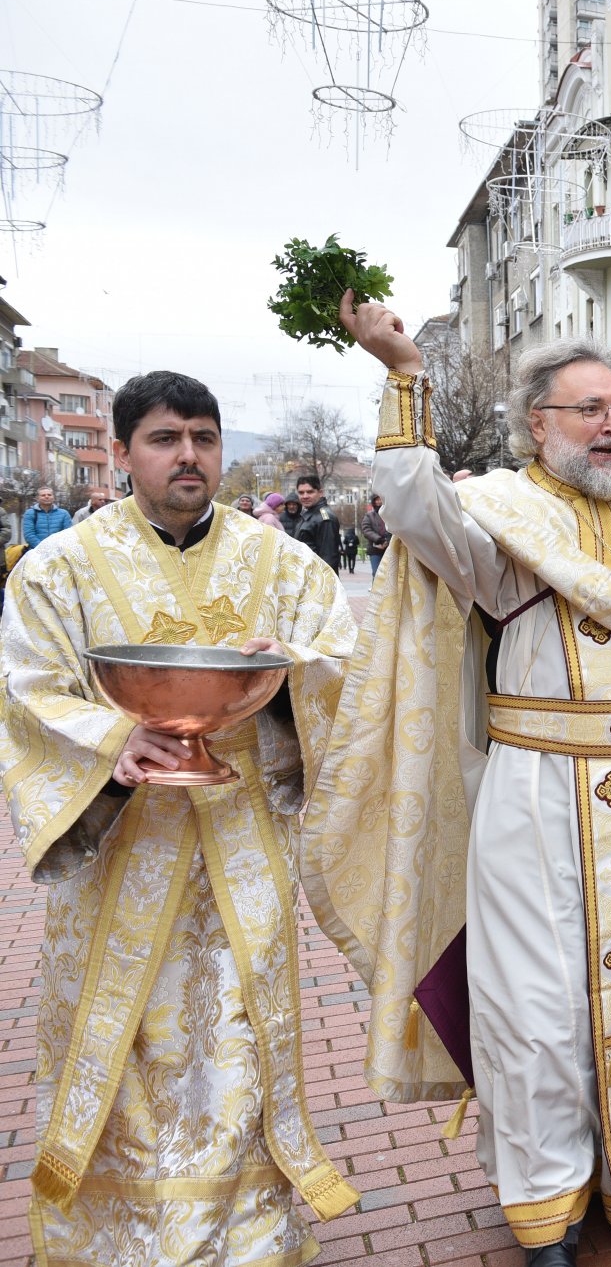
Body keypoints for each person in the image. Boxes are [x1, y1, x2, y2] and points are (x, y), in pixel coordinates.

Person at [307, 300, 611, 1266]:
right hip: (543, 797)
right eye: (587, 410)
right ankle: (545, 1198)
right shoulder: (498, 516)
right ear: (538, 425)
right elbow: (412, 508)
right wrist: (403, 377)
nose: (610, 425)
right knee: (539, 1006)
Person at [2, 369, 361, 1265]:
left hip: (242, 845)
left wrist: (291, 675)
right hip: (120, 852)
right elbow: (28, 692)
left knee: (236, 1050)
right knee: (129, 1051)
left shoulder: (282, 562)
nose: (188, 455)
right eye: (165, 438)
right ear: (123, 453)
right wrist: (111, 744)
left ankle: (244, 1244)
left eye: (203, 436)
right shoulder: (59, 568)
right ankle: (122, 1246)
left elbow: (345, 671)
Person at [292, 475, 341, 572]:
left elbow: (328, 557)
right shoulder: (308, 515)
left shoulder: (325, 518)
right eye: (301, 493)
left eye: (310, 492)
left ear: (320, 492)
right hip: (307, 575)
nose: (305, 496)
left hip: (317, 579)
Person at [360, 492, 391, 579]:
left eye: (380, 499)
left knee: (388, 575)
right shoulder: (369, 516)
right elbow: (366, 529)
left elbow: (393, 528)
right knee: (377, 573)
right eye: (376, 499)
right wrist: (378, 539)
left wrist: (387, 541)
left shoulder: (389, 515)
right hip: (375, 549)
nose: (378, 502)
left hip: (388, 548)